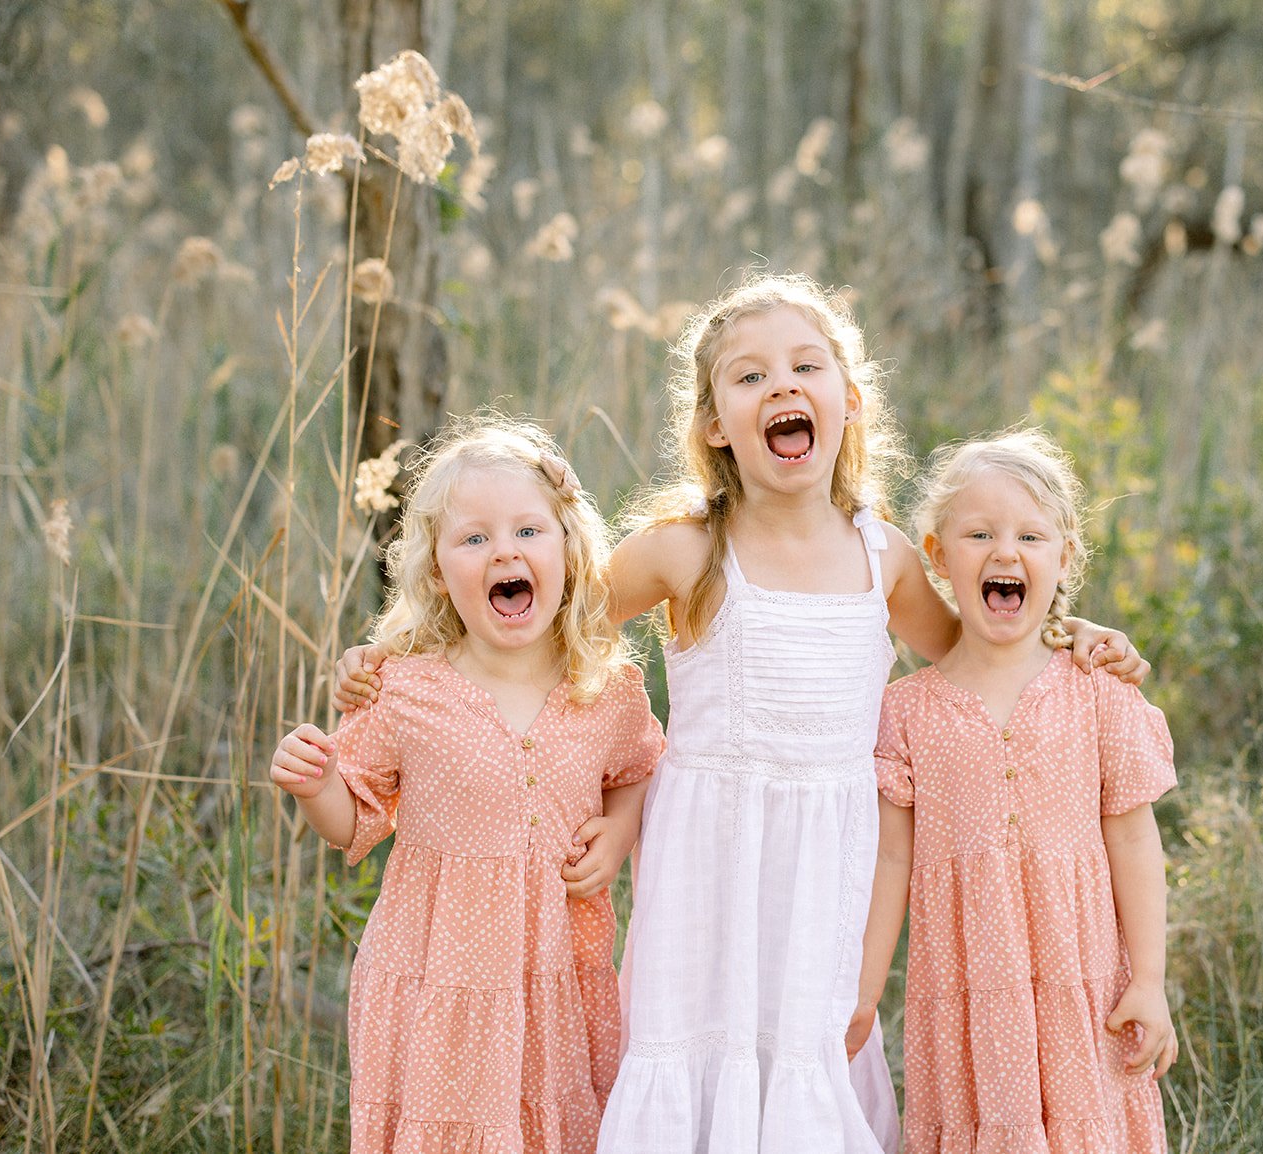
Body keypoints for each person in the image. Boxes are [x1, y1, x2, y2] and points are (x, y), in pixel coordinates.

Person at [332, 275, 1147, 1151]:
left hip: (829, 860)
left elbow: (979, 650)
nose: (783, 387)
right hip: (705, 860)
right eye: (750, 377)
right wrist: (400, 657)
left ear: (850, 401)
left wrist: (1074, 634)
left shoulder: (885, 560)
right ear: (716, 423)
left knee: (811, 1052)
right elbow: (537, 622)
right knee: (697, 1053)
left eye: (806, 366)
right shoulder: (690, 549)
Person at [270, 414, 664, 1154]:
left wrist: (619, 829)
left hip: (556, 985)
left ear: (570, 553)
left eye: (526, 531)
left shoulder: (604, 690)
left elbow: (640, 768)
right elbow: (354, 819)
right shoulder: (408, 691)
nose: (503, 551)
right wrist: (314, 781)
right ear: (439, 571)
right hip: (435, 985)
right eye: (474, 538)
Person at [847, 428, 1177, 1153]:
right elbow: (890, 864)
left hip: (1082, 985)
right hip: (968, 995)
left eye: (1031, 535)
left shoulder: (1098, 692)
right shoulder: (906, 711)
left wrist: (1149, 980)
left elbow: (1132, 837)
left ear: (1063, 559)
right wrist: (864, 992)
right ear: (937, 557)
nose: (1006, 552)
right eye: (979, 534)